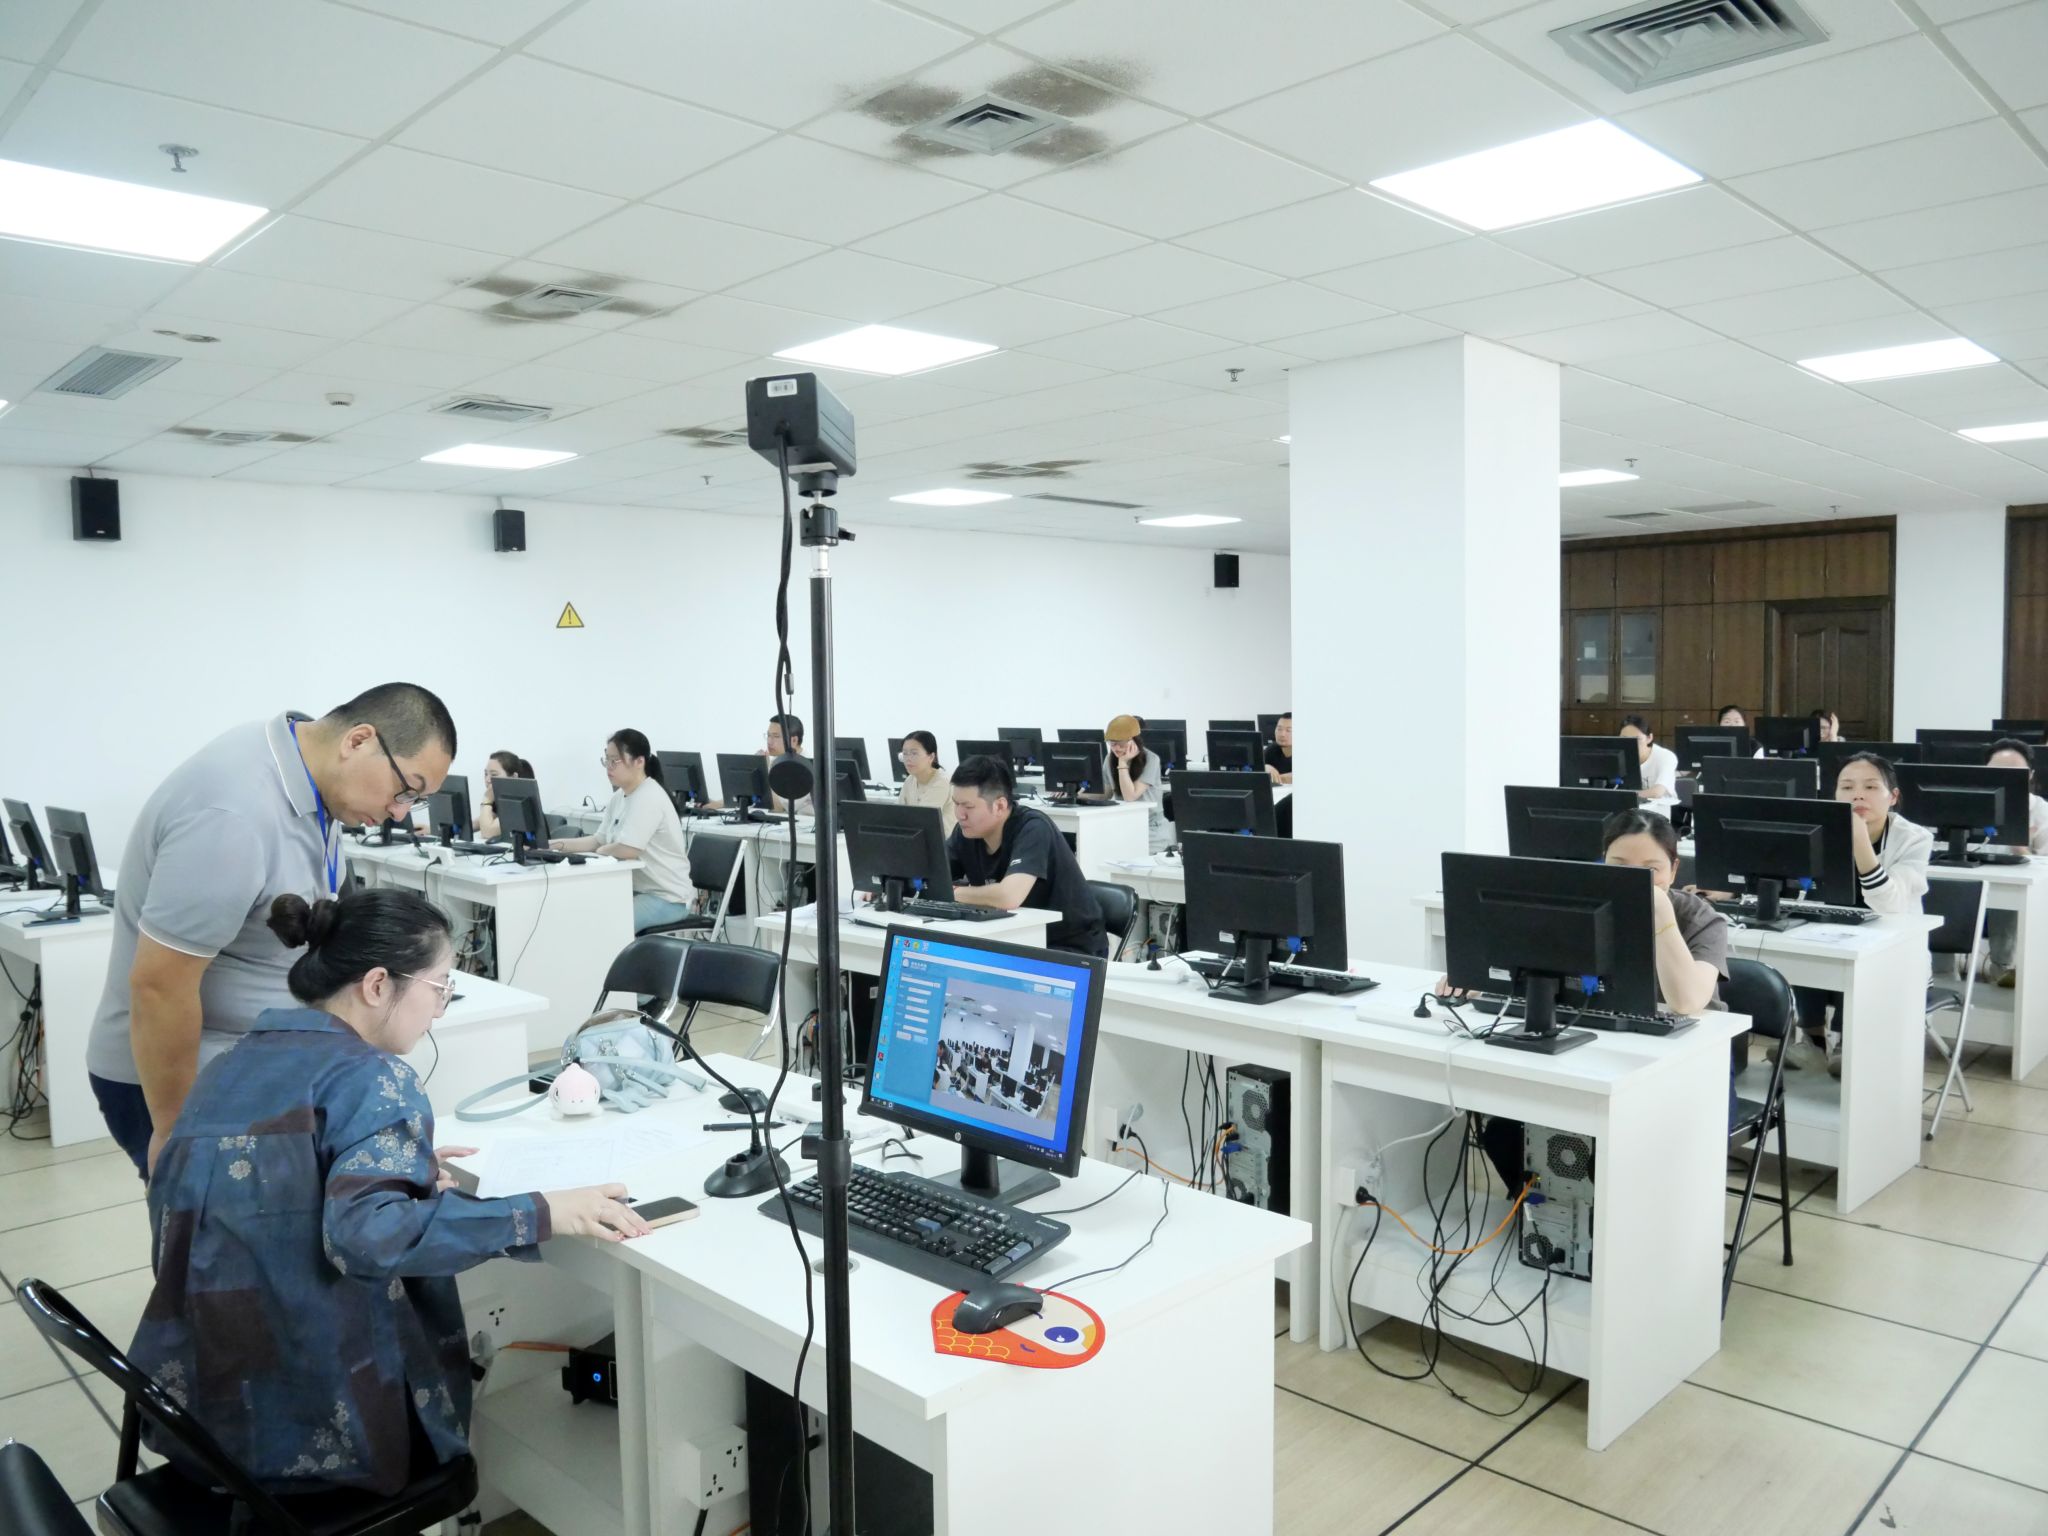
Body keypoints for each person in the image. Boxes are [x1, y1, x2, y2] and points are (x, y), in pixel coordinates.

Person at [129, 887, 647, 1498]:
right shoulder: (372, 1077)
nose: (439, 1011)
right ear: (378, 985)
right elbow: (367, 1239)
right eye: (440, 987)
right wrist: (544, 1211)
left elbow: (257, 1186)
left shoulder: (231, 1062)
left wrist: (391, 1166)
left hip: (196, 1413)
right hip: (308, 1435)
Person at [86, 684, 457, 1178]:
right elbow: (159, 987)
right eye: (406, 789)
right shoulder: (232, 814)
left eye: (417, 800)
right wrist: (177, 1132)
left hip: (249, 1068)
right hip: (185, 1082)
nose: (401, 811)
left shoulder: (311, 780)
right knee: (221, 1225)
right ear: (358, 741)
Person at [1450, 809, 1733, 1184]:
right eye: (1619, 866)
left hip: (1691, 1067)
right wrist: (1477, 977)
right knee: (1504, 1131)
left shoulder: (1700, 918)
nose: (1636, 880)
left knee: (1623, 1147)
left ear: (1674, 870)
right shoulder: (1579, 905)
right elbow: (1528, 962)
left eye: (1651, 870)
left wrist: (1662, 916)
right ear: (1603, 862)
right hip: (1596, 1050)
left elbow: (1686, 1002)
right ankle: (1540, 1211)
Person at [1792, 752, 1931, 1076]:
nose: (1857, 795)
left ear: (1892, 797)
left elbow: (1890, 904)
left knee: (1855, 954)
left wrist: (1859, 841)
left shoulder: (1914, 839)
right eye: (1847, 787)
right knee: (1803, 944)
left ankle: (1847, 1042)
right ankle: (1813, 1042)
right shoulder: (1818, 830)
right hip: (1829, 936)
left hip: (1893, 951)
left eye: (1870, 787)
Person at [947, 756, 1107, 957]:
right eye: (956, 804)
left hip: (1068, 946)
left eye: (968, 807)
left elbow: (1008, 897)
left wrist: (955, 893)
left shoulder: (1033, 828)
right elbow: (933, 879)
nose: (959, 814)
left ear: (999, 806)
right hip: (1015, 936)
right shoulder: (966, 832)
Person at [550, 730, 694, 931]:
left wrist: (600, 851)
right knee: (580, 912)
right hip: (634, 890)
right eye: (606, 760)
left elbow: (628, 850)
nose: (609, 767)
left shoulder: (649, 796)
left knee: (607, 926)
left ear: (639, 761)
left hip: (667, 897)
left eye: (615, 761)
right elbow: (598, 840)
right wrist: (551, 846)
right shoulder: (619, 797)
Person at [1981, 739, 2048, 984]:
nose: (2005, 779)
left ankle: (2003, 968)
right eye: (1997, 772)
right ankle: (1940, 972)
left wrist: (2020, 848)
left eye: (2014, 773)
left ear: (2029, 775)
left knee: (2009, 889)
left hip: (2014, 889)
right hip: (1971, 881)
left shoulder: (2040, 810)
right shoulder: (1965, 802)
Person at [1105, 714, 1170, 853]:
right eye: (1112, 744)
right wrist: (1073, 794)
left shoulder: (1151, 759)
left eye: (1120, 744)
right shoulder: (1109, 759)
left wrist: (1122, 763)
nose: (1116, 748)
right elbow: (1104, 793)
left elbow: (1130, 796)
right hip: (1123, 825)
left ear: (1133, 741)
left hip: (1151, 830)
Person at [896, 731, 956, 836]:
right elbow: (898, 814)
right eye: (905, 754)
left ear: (931, 757)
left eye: (914, 753)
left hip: (943, 842)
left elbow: (922, 820)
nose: (908, 759)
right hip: (918, 839)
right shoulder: (910, 780)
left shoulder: (942, 781)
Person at [1619, 715, 1678, 809]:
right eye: (1624, 739)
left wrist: (1622, 796)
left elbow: (1657, 792)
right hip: (1631, 808)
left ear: (1649, 738)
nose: (1630, 744)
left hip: (1663, 809)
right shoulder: (1619, 756)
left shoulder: (1666, 756)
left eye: (1637, 739)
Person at [473, 750, 532, 841]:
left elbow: (487, 833)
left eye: (494, 774)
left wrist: (487, 801)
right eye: (486, 774)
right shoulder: (500, 802)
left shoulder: (520, 804)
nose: (487, 779)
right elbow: (475, 825)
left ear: (513, 777)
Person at [762, 712, 813, 815]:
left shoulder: (806, 769)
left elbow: (779, 807)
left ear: (794, 740)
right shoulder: (776, 762)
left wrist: (763, 771)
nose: (769, 742)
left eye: (776, 736)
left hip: (802, 823)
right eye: (768, 735)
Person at [1266, 712, 1294, 785]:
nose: (1282, 734)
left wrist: (1273, 778)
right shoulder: (1272, 749)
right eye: (1279, 729)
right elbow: (1256, 767)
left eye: (1289, 730)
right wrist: (1266, 767)